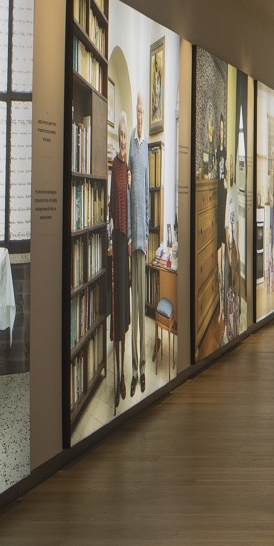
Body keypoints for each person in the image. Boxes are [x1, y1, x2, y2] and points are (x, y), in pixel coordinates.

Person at [108, 112, 131, 396]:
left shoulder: (131, 167)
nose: (123, 139)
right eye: (120, 135)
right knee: (116, 314)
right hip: (116, 243)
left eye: (126, 135)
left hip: (127, 246)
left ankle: (124, 375)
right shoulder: (115, 167)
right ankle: (117, 379)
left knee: (124, 315)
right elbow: (112, 208)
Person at [129, 94, 149, 392]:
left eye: (144, 109)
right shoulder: (131, 144)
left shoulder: (146, 147)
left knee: (143, 308)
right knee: (132, 308)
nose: (141, 113)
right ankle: (133, 369)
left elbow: (145, 194)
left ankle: (143, 367)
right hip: (130, 236)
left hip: (143, 238)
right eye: (139, 109)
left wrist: (144, 231)